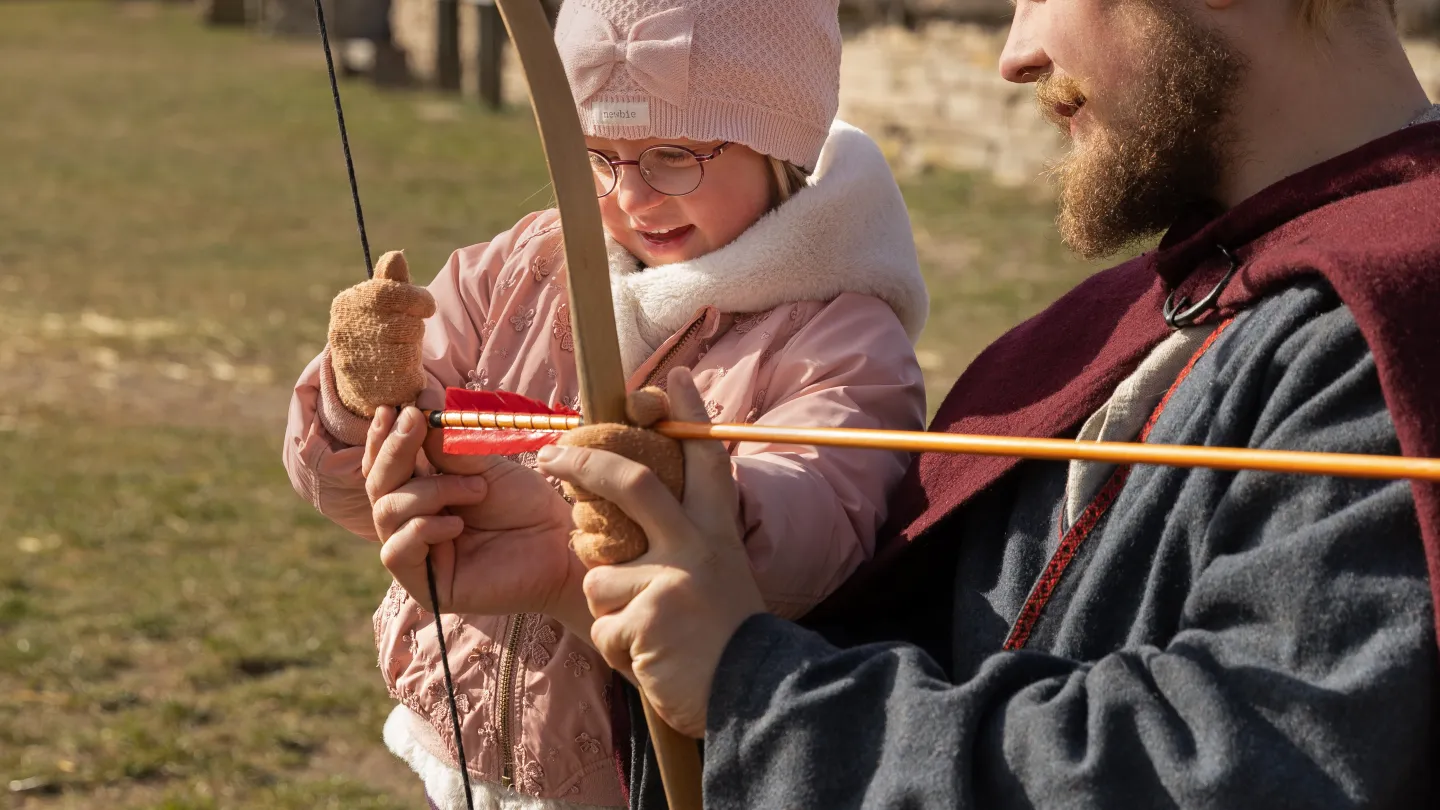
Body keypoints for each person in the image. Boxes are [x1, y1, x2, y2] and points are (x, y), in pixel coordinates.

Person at [368, 0, 1440, 806]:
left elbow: (1233, 767)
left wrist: (753, 688)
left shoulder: (1394, 321)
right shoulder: (1161, 300)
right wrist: (580, 581)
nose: (1016, 52)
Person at [282, 0, 929, 806]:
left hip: (642, 771)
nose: (632, 197)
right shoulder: (521, 263)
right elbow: (355, 484)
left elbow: (817, 529)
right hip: (461, 739)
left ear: (777, 145)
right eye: (598, 156)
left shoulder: (842, 337)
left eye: (672, 155)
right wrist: (363, 399)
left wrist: (671, 499)